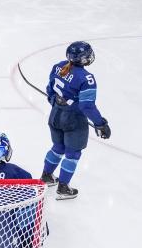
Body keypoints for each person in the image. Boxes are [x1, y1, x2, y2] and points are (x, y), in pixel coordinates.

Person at [40, 41, 111, 200]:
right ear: (84, 59)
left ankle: (46, 176)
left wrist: (56, 103)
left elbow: (49, 90)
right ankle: (63, 188)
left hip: (56, 115)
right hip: (73, 121)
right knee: (72, 154)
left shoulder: (58, 66)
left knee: (57, 147)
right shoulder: (86, 78)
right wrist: (100, 123)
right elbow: (87, 107)